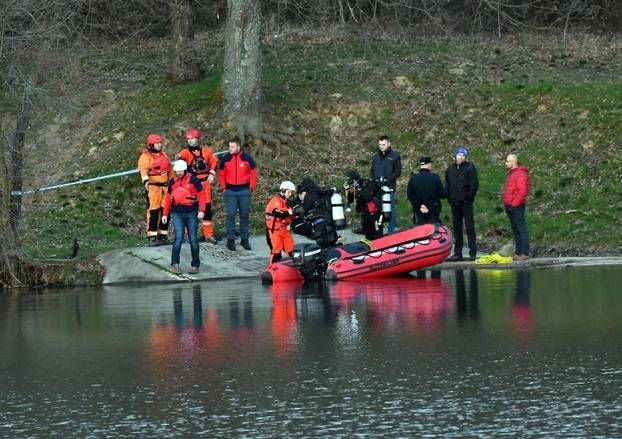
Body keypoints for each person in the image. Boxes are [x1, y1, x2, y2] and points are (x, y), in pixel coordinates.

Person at [161, 160, 206, 275]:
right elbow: (168, 198)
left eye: (181, 170)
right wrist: (165, 214)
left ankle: (195, 265)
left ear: (185, 169)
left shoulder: (193, 180)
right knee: (178, 239)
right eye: (177, 171)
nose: (179, 172)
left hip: (191, 212)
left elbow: (202, 194)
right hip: (177, 213)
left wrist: (202, 210)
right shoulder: (172, 182)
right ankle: (175, 264)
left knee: (193, 239)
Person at [176, 128, 219, 244]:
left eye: (192, 139)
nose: (190, 141)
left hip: (205, 183)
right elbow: (180, 162)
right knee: (190, 208)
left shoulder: (206, 151)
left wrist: (212, 173)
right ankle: (187, 235)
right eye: (188, 139)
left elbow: (214, 162)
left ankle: (208, 235)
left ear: (198, 139)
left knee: (207, 209)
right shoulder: (185, 152)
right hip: (192, 185)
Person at [217, 138, 257, 251]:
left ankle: (245, 239)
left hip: (244, 191)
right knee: (230, 215)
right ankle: (230, 240)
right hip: (230, 191)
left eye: (232, 147)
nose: (230, 149)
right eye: (229, 146)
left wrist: (251, 188)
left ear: (239, 147)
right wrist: (223, 187)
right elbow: (221, 174)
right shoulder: (225, 159)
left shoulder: (247, 159)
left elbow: (253, 173)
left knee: (244, 215)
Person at [137, 133, 173, 246]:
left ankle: (163, 234)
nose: (159, 145)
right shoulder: (145, 156)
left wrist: (173, 182)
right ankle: (152, 235)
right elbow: (143, 170)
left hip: (165, 187)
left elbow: (169, 169)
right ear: (151, 144)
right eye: (157, 143)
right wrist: (146, 181)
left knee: (165, 210)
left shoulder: (164, 155)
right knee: (153, 211)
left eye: (160, 142)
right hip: (153, 187)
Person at [445, 146, 479, 261]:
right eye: (459, 155)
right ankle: (458, 252)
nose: (461, 157)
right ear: (455, 156)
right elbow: (447, 185)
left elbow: (474, 185)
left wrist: (468, 198)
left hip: (466, 202)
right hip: (455, 203)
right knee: (457, 228)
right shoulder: (450, 169)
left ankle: (473, 251)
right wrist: (450, 199)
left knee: (470, 228)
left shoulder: (470, 168)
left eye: (463, 155)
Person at [292, 178, 340, 248]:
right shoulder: (322, 193)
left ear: (304, 191)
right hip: (330, 222)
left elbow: (304, 208)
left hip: (320, 226)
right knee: (332, 243)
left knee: (325, 247)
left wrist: (295, 209)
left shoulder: (310, 195)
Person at [370, 135, 402, 233]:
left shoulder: (395, 156)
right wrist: (375, 179)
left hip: (389, 187)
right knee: (377, 209)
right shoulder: (375, 157)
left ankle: (391, 231)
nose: (382, 146)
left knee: (391, 209)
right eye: (380, 144)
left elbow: (398, 171)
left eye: (384, 144)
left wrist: (388, 180)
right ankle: (378, 230)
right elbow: (372, 171)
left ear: (389, 144)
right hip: (377, 188)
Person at [503, 153, 530, 260]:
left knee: (521, 228)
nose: (506, 163)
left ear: (513, 162)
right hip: (510, 205)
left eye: (508, 161)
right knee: (516, 229)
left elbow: (522, 191)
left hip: (516, 206)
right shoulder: (512, 174)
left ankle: (524, 252)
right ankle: (518, 252)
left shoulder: (520, 174)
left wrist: (514, 203)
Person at [344, 170, 383, 240]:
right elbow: (350, 200)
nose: (350, 182)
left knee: (377, 233)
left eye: (350, 180)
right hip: (365, 212)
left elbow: (368, 197)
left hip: (375, 213)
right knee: (368, 234)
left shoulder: (368, 183)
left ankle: (381, 245)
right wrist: (349, 190)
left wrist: (358, 191)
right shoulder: (354, 187)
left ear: (355, 179)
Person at [407, 156, 446, 225]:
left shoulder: (413, 179)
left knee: (419, 232)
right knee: (432, 232)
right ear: (429, 164)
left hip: (418, 211)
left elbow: (410, 195)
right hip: (433, 211)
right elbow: (442, 195)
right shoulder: (435, 178)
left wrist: (420, 205)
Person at [265, 181, 297, 264]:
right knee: (276, 251)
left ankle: (295, 267)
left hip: (284, 229)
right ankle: (273, 268)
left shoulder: (287, 202)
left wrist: (295, 213)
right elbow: (280, 213)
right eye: (288, 192)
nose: (290, 194)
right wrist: (292, 211)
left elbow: (291, 215)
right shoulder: (275, 201)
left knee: (291, 249)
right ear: (283, 191)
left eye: (291, 192)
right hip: (275, 230)